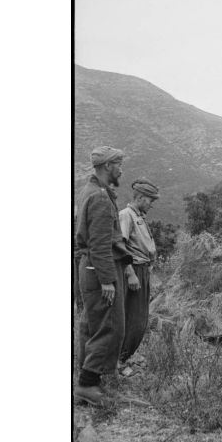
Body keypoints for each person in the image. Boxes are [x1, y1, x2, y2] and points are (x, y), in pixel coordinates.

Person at [74, 146, 133, 406]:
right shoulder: (99, 197)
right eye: (118, 164)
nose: (121, 169)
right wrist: (107, 279)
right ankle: (87, 385)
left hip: (91, 267)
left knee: (91, 324)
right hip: (100, 268)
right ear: (108, 166)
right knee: (109, 326)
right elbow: (99, 243)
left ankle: (89, 380)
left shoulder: (93, 191)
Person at [118, 177, 160, 364]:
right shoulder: (126, 215)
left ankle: (126, 358)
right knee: (133, 318)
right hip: (133, 270)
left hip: (142, 270)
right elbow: (119, 246)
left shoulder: (138, 217)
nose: (151, 205)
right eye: (150, 200)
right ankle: (120, 360)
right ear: (141, 197)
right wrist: (130, 273)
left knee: (140, 318)